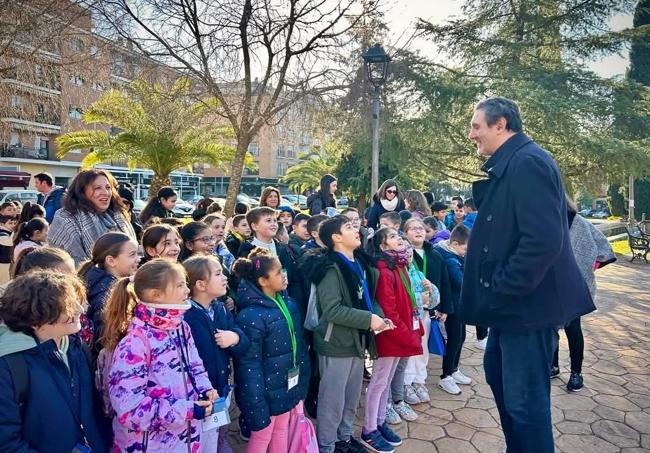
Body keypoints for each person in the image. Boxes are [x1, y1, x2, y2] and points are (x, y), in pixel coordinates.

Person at [461, 96, 595, 452]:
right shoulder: (516, 161)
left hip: (526, 309)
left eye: (477, 126)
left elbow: (543, 242)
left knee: (525, 405)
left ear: (500, 124)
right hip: (513, 310)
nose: (472, 134)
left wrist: (502, 288)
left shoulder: (528, 162)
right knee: (501, 380)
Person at [100, 259, 219, 452]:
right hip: (150, 445)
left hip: (186, 440)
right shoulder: (135, 344)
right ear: (156, 295)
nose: (187, 290)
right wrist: (187, 410)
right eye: (180, 285)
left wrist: (205, 389)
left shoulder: (180, 327)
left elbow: (195, 366)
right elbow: (129, 410)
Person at [0, 271, 107, 453]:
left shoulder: (77, 347)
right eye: (67, 305)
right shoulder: (8, 364)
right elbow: (6, 442)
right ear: (35, 313)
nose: (80, 310)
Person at [306, 215, 387, 453]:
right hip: (336, 342)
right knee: (333, 399)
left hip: (357, 340)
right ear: (336, 238)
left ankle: (343, 438)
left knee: (351, 396)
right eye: (349, 227)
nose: (357, 229)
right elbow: (332, 310)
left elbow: (369, 300)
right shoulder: (330, 268)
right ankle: (327, 445)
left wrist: (379, 317)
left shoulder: (359, 263)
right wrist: (369, 319)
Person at [232, 248, 309, 453]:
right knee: (263, 434)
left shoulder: (288, 304)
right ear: (263, 281)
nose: (284, 275)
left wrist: (302, 380)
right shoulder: (251, 316)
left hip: (285, 385)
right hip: (265, 393)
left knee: (282, 428)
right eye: (277, 273)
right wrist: (256, 404)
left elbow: (299, 347)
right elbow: (248, 366)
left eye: (282, 270)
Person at [361, 227, 420, 453]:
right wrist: (407, 335)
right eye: (393, 237)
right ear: (383, 246)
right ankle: (369, 429)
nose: (399, 238)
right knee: (378, 383)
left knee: (386, 382)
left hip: (401, 333)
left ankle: (379, 422)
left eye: (398, 235)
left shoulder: (400, 265)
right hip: (391, 334)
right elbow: (389, 310)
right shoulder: (384, 270)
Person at [183, 255, 250, 452]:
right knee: (199, 439)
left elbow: (242, 340)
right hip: (197, 395)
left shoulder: (220, 308)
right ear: (200, 285)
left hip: (220, 389)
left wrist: (235, 338)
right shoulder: (186, 317)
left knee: (218, 432)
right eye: (218, 274)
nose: (225, 278)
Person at [551, 197, 616, 392]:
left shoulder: (578, 223)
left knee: (572, 328)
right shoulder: (545, 221)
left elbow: (605, 249)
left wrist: (588, 268)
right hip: (549, 285)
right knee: (550, 326)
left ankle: (576, 373)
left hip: (574, 286)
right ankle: (552, 365)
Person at [48, 169, 136, 266]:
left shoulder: (118, 216)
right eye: (97, 188)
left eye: (108, 187)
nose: (105, 192)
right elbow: (70, 262)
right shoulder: (65, 218)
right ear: (82, 192)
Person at [78, 232, 140, 352]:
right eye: (132, 255)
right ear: (111, 261)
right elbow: (103, 333)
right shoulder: (107, 291)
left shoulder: (96, 279)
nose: (138, 259)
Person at [434, 224, 473, 395]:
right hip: (451, 306)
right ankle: (446, 376)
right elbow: (462, 283)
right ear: (455, 244)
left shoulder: (455, 256)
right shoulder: (450, 260)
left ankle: (454, 369)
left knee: (460, 337)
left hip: (459, 305)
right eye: (465, 248)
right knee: (454, 339)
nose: (466, 251)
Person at [0, 215, 17, 284]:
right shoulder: (2, 233)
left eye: (15, 223)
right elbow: (8, 242)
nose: (13, 225)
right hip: (2, 264)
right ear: (2, 224)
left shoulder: (9, 233)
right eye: (10, 223)